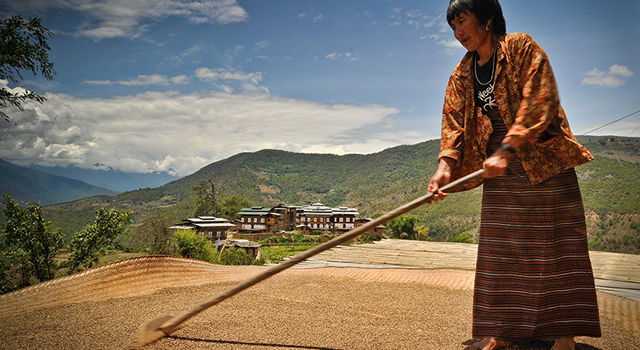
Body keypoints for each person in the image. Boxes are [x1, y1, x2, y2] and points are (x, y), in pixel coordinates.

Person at [427, 0, 601, 349]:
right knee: (501, 250)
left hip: (543, 158)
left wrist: (507, 148)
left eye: (463, 21)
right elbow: (453, 123)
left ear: (487, 19)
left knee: (558, 248)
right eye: (453, 27)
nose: (459, 32)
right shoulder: (462, 74)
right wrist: (444, 166)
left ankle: (564, 338)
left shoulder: (520, 47)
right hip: (499, 169)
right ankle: (502, 332)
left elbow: (541, 98)